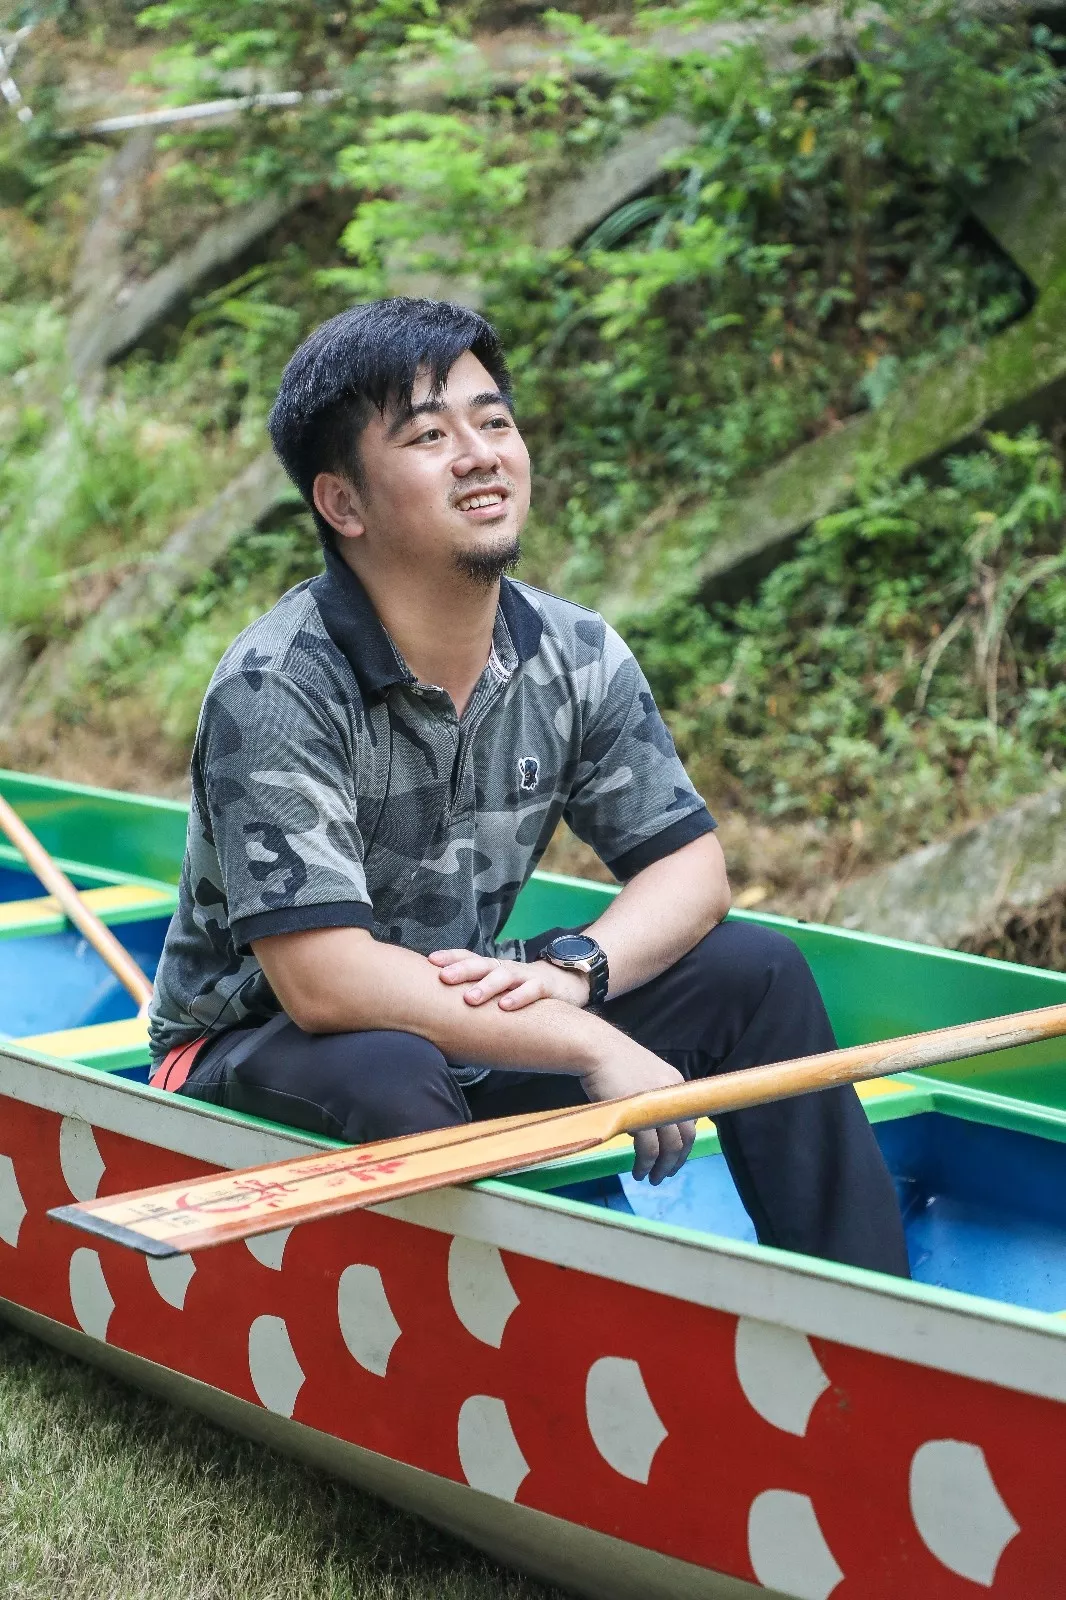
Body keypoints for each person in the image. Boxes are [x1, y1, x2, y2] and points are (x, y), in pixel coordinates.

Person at [147, 297, 909, 1277]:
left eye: (494, 420)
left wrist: (577, 974)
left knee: (754, 971)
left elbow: (690, 869)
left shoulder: (571, 651)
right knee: (390, 1067)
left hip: (464, 1023)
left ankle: (863, 1307)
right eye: (429, 435)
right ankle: (474, 1339)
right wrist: (582, 1043)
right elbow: (326, 982)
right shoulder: (278, 683)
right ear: (343, 503)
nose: (480, 454)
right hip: (261, 1046)